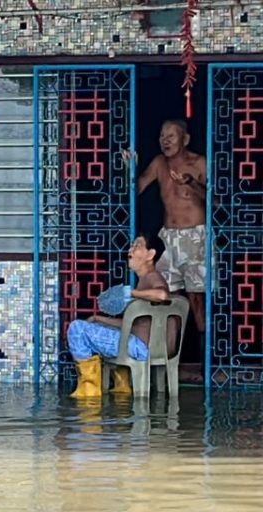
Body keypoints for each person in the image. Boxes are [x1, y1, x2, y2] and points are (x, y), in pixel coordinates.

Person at [67, 234, 179, 398]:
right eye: (132, 245)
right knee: (97, 327)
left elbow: (162, 295)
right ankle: (122, 384)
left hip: (141, 348)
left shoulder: (153, 278)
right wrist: (99, 319)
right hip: (151, 347)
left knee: (76, 328)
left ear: (150, 254)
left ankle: (89, 387)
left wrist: (132, 293)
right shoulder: (146, 280)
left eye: (137, 246)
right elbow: (131, 325)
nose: (130, 249)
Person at [124, 119, 208, 333]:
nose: (165, 141)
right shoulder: (159, 163)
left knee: (196, 297)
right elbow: (137, 190)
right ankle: (166, 350)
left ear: (185, 139)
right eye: (162, 136)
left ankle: (204, 359)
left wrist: (191, 183)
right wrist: (130, 171)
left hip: (195, 238)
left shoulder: (199, 163)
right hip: (168, 238)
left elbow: (217, 201)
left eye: (171, 136)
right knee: (162, 295)